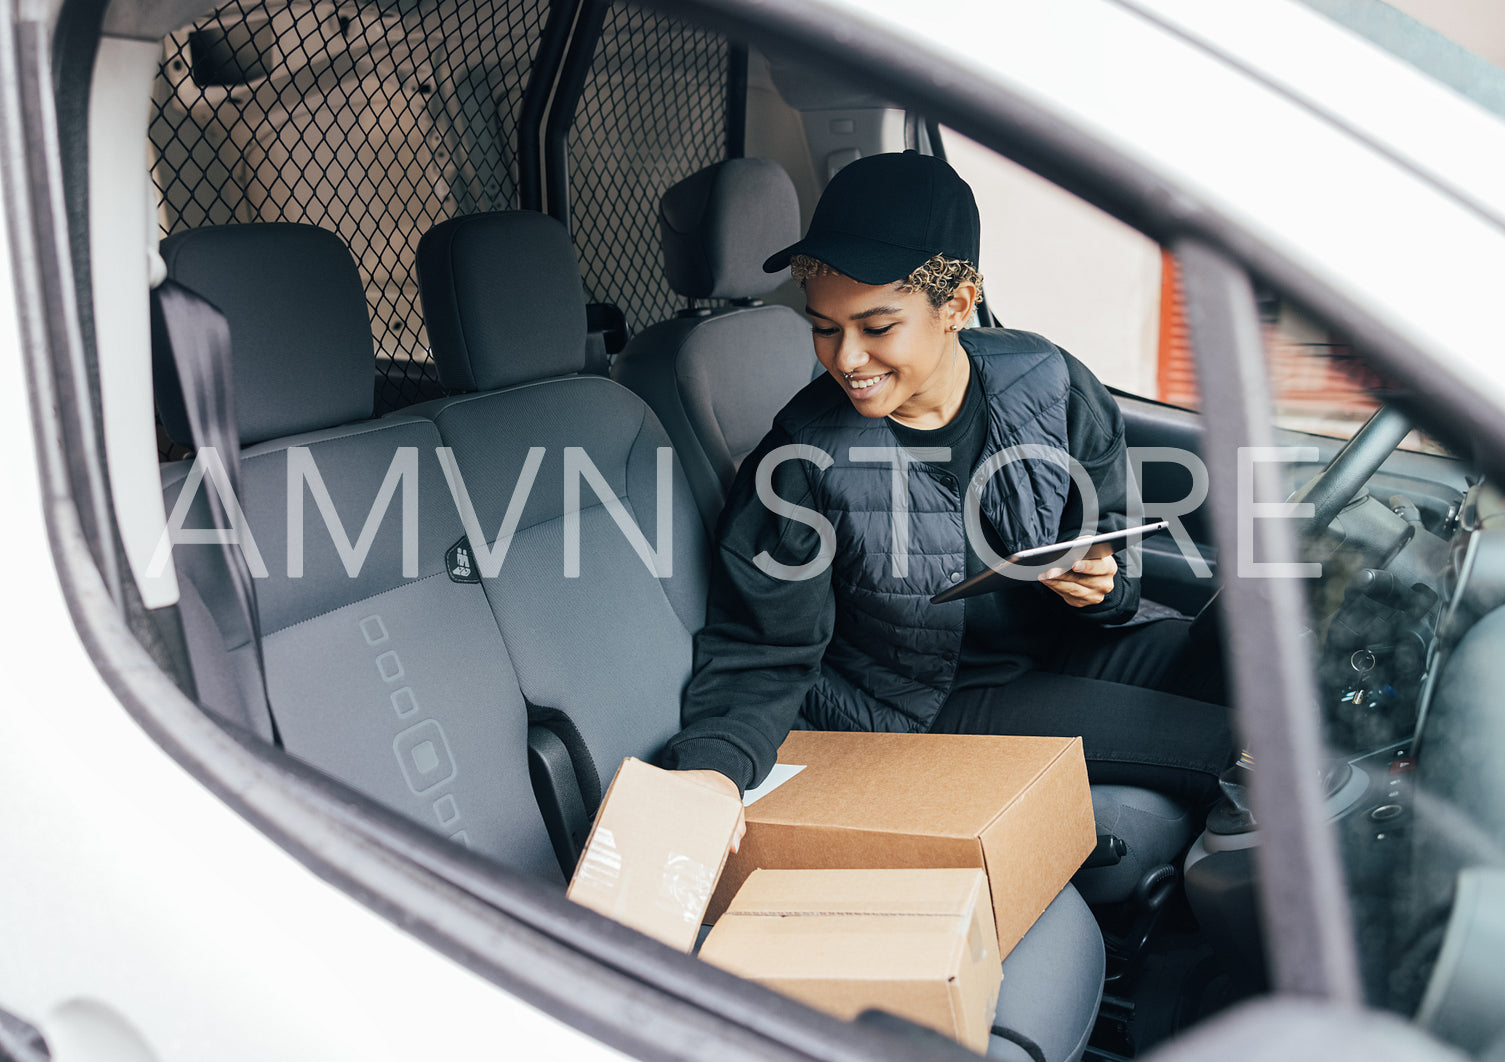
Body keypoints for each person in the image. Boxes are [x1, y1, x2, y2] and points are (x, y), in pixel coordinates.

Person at [662, 151, 1231, 847]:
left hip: (1068, 645)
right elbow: (762, 650)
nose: (844, 359)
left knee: (1261, 675)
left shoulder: (1049, 381)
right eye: (822, 327)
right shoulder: (798, 463)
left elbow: (1109, 528)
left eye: (875, 328)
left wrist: (1105, 585)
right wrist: (711, 775)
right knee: (1244, 754)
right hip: (929, 700)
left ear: (957, 305)